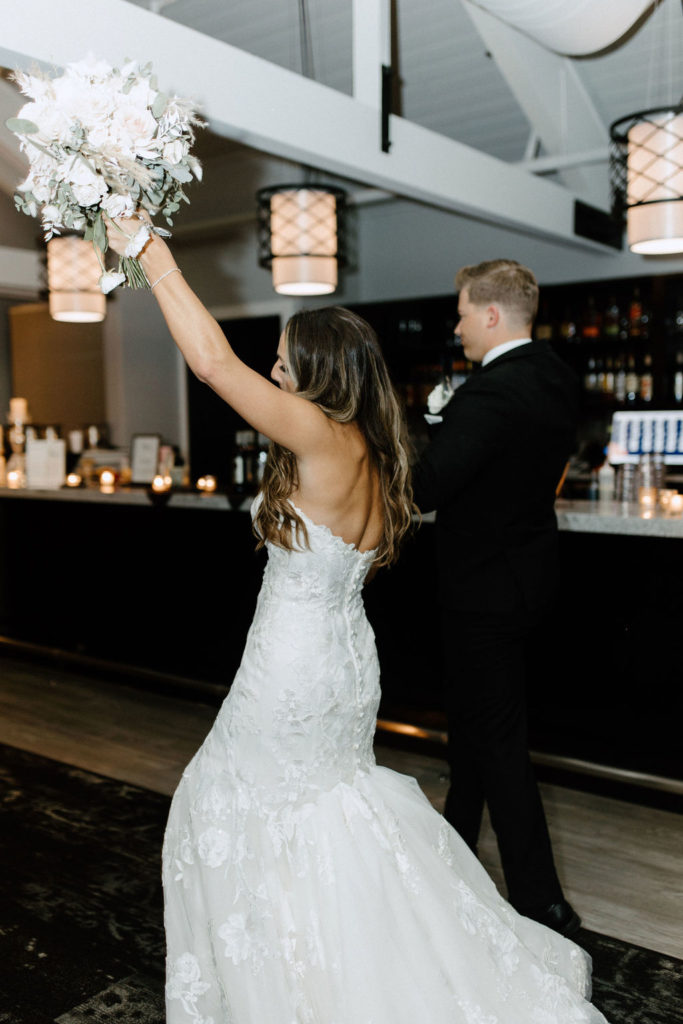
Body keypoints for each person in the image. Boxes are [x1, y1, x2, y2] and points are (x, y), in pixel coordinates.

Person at [106, 220, 606, 1023]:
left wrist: (151, 252)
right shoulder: (376, 454)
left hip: (297, 665)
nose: (270, 367)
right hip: (344, 663)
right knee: (327, 814)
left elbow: (207, 362)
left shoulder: (318, 437)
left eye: (280, 356)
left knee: (237, 800)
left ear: (312, 370)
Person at [412, 258, 581, 937]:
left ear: (489, 314)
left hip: (479, 587)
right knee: (476, 724)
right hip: (529, 578)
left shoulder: (487, 393)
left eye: (459, 314)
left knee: (497, 737)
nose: (456, 328)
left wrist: (435, 426)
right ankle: (455, 841)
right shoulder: (554, 377)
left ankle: (541, 898)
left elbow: (428, 487)